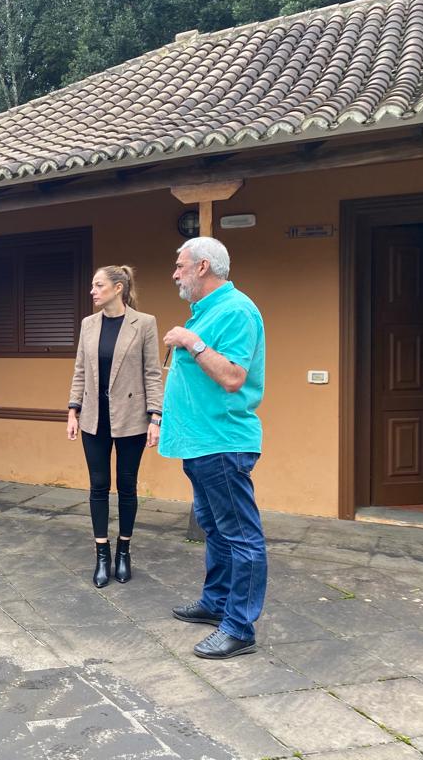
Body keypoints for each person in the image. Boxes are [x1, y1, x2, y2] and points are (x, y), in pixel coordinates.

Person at [160, 236, 266, 660]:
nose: (175, 273)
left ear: (202, 267)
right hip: (200, 443)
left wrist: (192, 341)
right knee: (216, 527)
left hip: (222, 441)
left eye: (180, 265)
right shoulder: (206, 312)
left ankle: (239, 627)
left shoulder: (237, 310)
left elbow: (234, 376)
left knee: (241, 536)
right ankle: (216, 602)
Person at [68, 265, 163, 588]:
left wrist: (156, 417)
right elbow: (80, 370)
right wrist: (72, 410)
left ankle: (124, 550)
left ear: (118, 287)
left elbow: (153, 372)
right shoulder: (88, 325)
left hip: (132, 417)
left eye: (98, 285)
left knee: (126, 484)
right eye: (92, 285)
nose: (92, 291)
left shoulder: (144, 323)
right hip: (94, 417)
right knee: (97, 485)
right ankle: (102, 555)